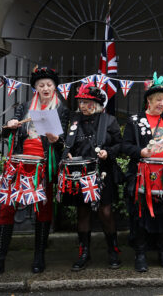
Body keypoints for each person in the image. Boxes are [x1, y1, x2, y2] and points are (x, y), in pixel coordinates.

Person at [0, 68, 69, 280]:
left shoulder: (62, 110)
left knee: (43, 210)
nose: (45, 88)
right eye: (41, 85)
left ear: (54, 87)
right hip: (19, 163)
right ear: (35, 87)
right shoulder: (25, 107)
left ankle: (39, 257)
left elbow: (65, 144)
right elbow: (5, 134)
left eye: (49, 85)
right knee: (6, 208)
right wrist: (10, 125)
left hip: (43, 165)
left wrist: (56, 140)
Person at [61, 83, 123, 271]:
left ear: (96, 104)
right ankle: (84, 253)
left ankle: (113, 250)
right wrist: (66, 153)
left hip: (102, 171)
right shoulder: (73, 120)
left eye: (86, 102)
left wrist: (108, 152)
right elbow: (66, 143)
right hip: (79, 172)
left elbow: (120, 145)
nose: (82, 106)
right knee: (83, 212)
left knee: (105, 212)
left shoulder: (109, 120)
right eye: (80, 102)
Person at [122, 75, 163, 271]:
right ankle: (140, 254)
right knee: (141, 215)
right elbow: (125, 146)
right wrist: (141, 152)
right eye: (158, 100)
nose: (162, 104)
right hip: (142, 174)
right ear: (149, 100)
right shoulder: (134, 121)